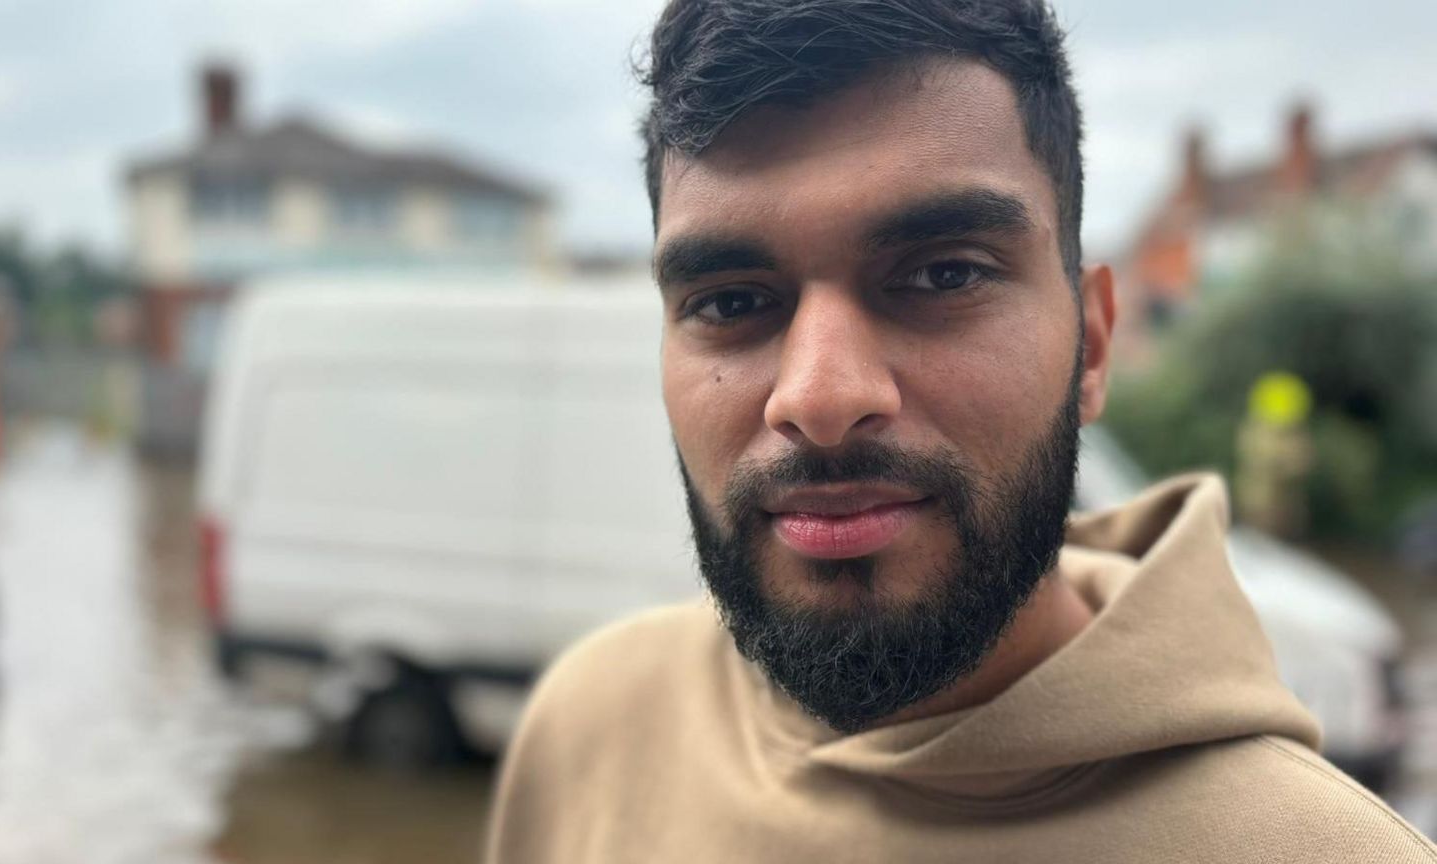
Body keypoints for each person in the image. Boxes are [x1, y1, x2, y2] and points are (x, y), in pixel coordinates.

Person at [486, 1, 1437, 861]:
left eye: (945, 274)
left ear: (1094, 347)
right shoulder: (587, 727)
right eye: (731, 300)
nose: (818, 398)